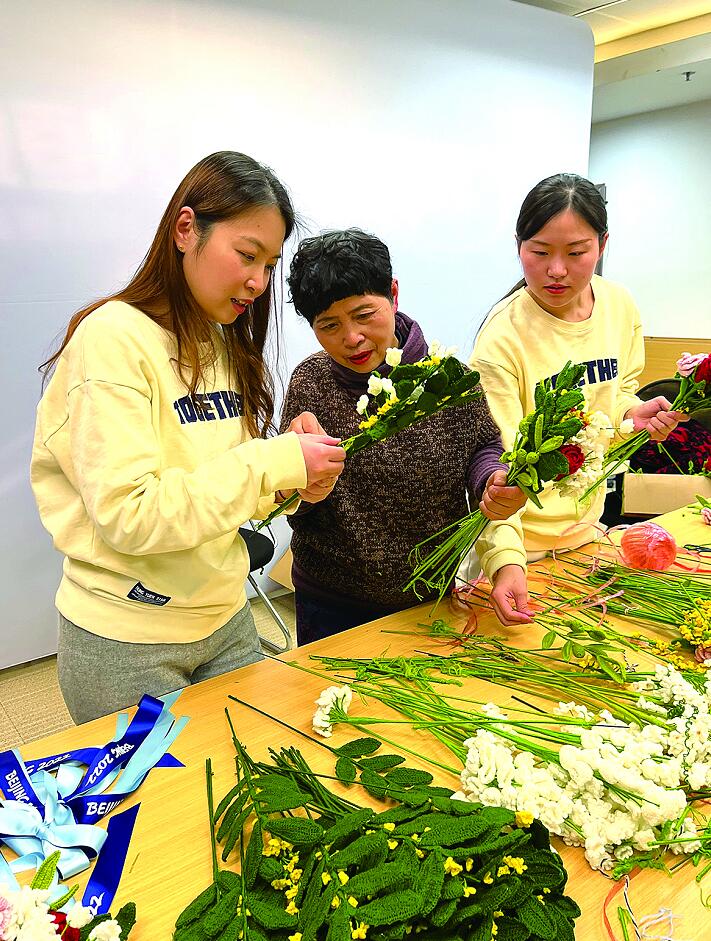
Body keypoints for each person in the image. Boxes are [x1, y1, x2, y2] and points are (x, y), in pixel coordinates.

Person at [31, 151, 346, 723]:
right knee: (155, 809)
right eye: (248, 255)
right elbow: (131, 514)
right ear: (185, 229)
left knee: (253, 781)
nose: (259, 280)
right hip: (128, 639)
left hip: (224, 619)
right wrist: (272, 461)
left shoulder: (220, 340)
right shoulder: (114, 340)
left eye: (271, 263)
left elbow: (213, 491)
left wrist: (293, 483)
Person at [280, 228, 530, 645]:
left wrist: (492, 481)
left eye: (363, 315)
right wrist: (296, 481)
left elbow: (482, 447)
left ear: (393, 294)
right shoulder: (311, 382)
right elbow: (293, 500)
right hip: (329, 599)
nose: (351, 338)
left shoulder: (447, 377)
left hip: (428, 596)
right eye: (329, 325)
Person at [470, 173, 686, 557]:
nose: (556, 270)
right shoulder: (502, 338)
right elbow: (497, 463)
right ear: (518, 246)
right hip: (520, 542)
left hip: (587, 531)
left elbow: (616, 392)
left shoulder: (618, 305)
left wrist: (633, 415)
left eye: (575, 252)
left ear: (602, 244)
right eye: (539, 252)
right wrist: (506, 559)